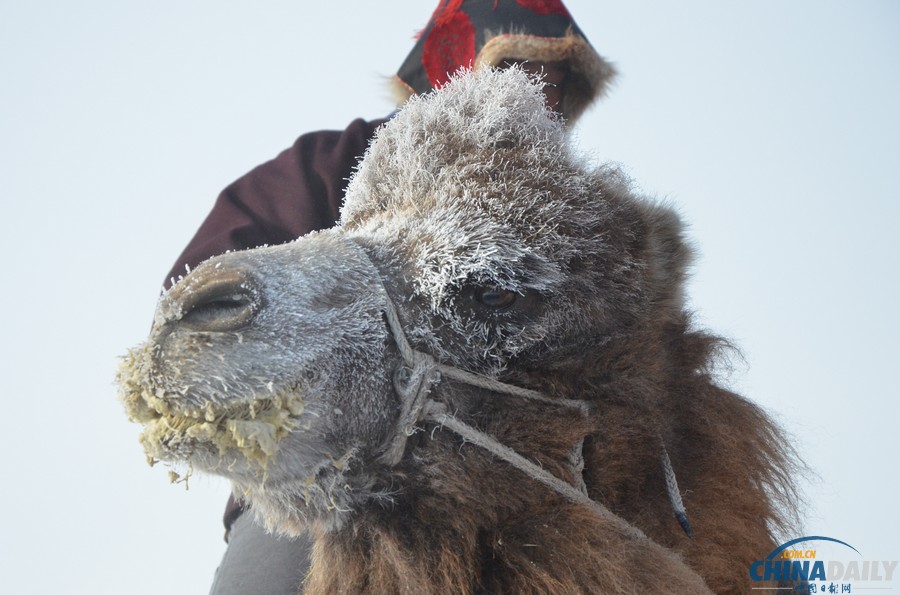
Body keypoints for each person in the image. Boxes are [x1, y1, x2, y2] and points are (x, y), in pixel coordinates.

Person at [161, 1, 616, 593]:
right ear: (461, 66)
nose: (539, 94)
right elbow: (204, 293)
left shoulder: (567, 220)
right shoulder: (334, 163)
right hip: (324, 485)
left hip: (523, 498)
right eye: (520, 70)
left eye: (554, 82)